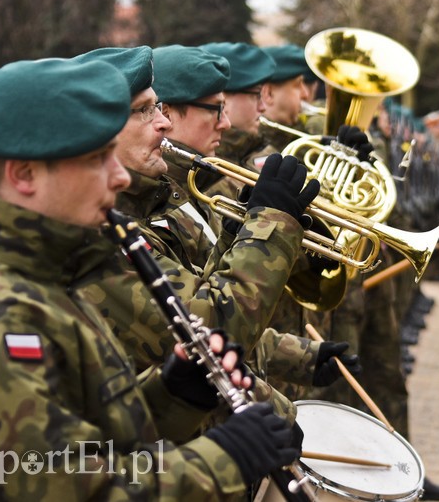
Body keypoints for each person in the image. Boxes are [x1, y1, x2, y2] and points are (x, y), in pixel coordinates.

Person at [0, 57, 298, 499]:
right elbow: (50, 482)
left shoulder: (47, 270)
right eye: (96, 158)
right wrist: (224, 460)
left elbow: (94, 434)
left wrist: (172, 395)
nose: (120, 176)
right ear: (25, 174)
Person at [73, 46, 355, 422]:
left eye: (157, 108)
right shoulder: (96, 233)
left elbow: (200, 293)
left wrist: (242, 233)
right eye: (145, 110)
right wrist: (269, 226)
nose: (162, 123)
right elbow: (207, 332)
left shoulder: (159, 197)